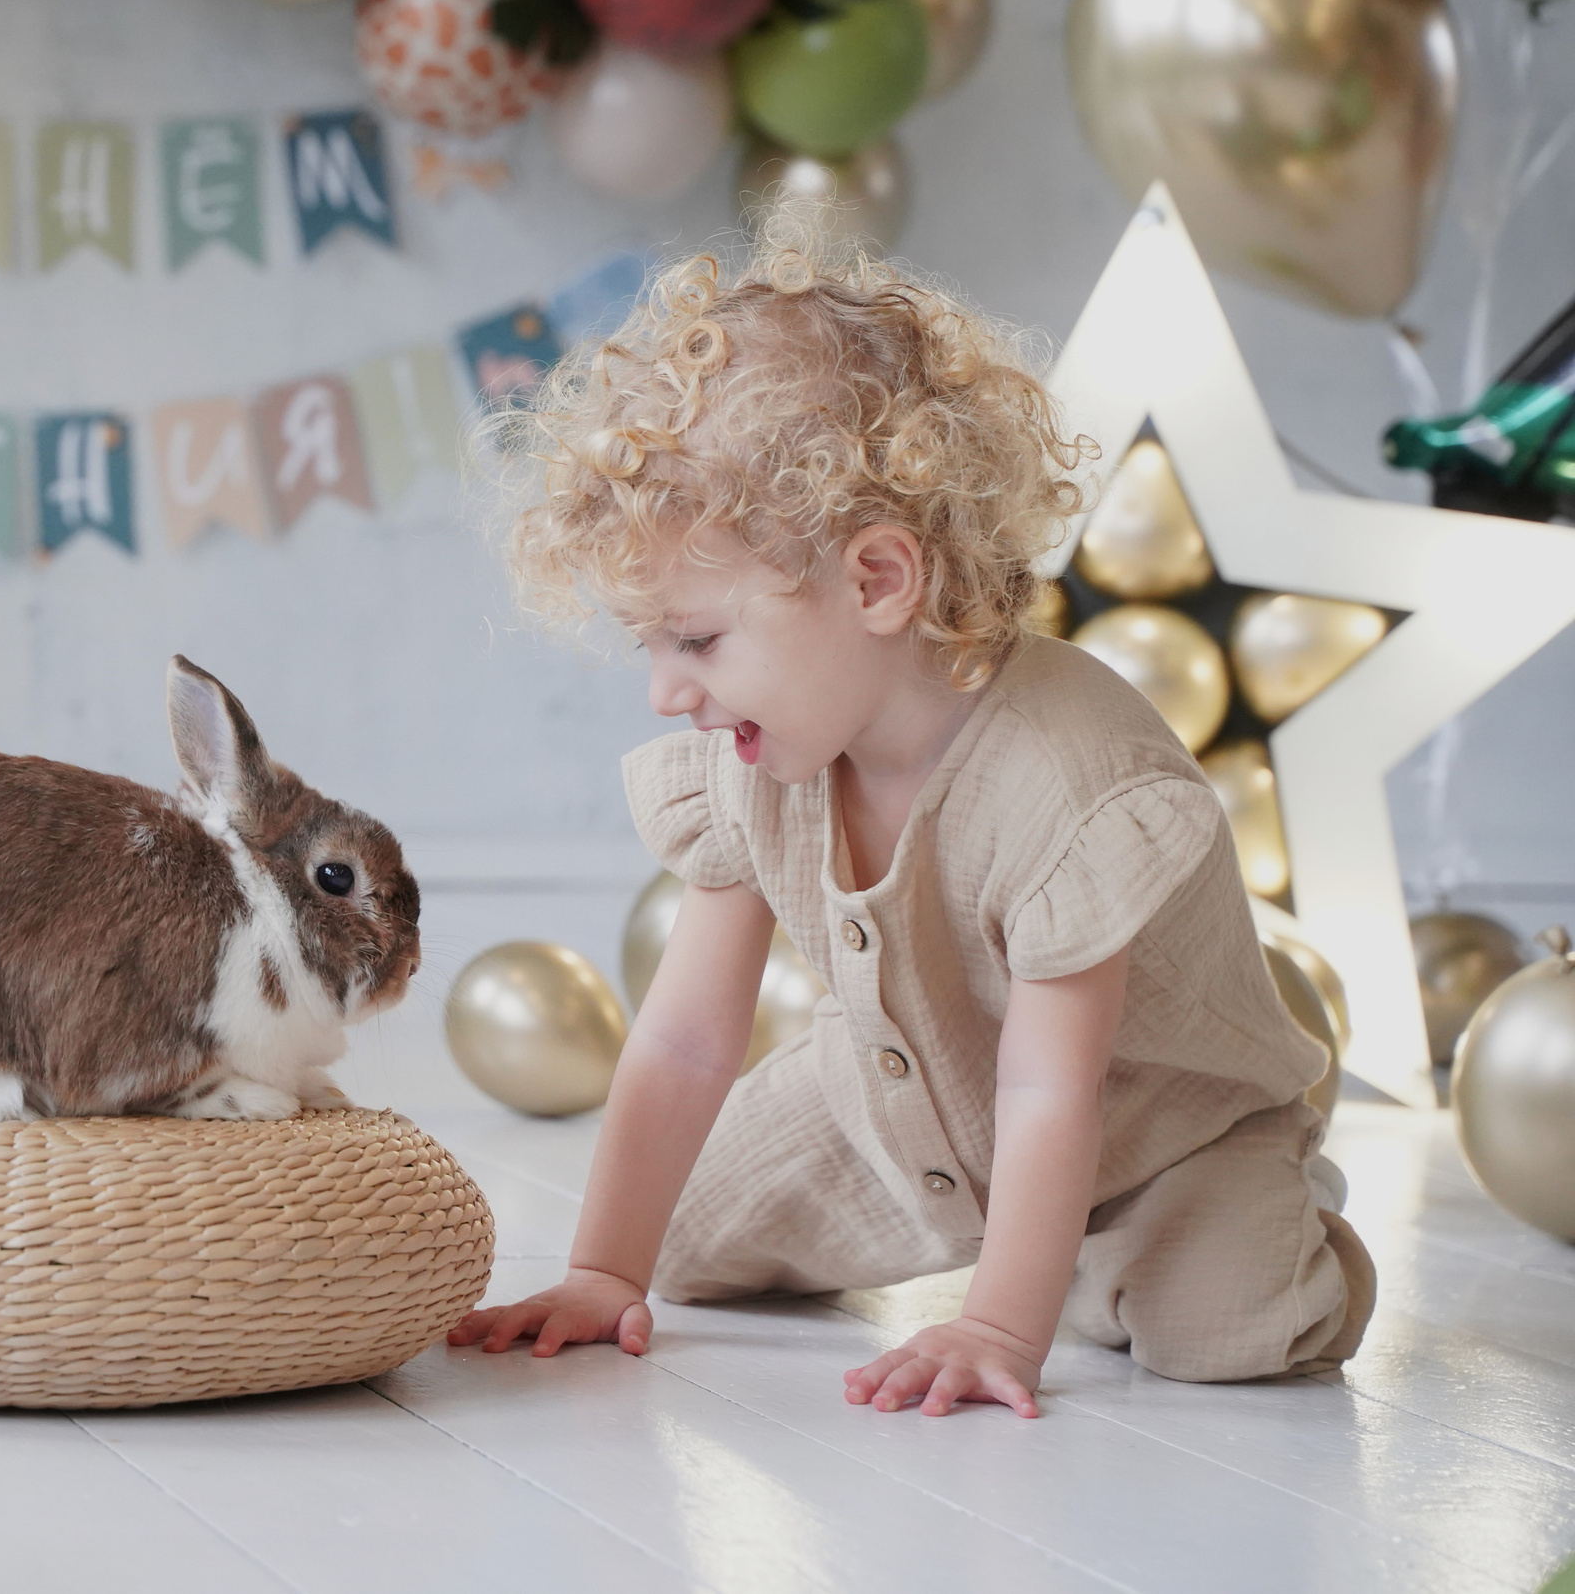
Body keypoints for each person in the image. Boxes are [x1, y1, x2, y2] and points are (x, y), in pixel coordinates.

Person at [448, 227, 1373, 1417]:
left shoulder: (1065, 778)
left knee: (1233, 1331)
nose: (665, 693)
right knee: (686, 1251)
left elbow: (1054, 1091)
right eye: (651, 646)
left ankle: (1221, 1219)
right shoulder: (756, 756)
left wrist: (994, 1325)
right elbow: (683, 1040)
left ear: (878, 582)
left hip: (1151, 1138)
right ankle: (1049, 1259)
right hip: (900, 1113)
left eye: (698, 641)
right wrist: (603, 1269)